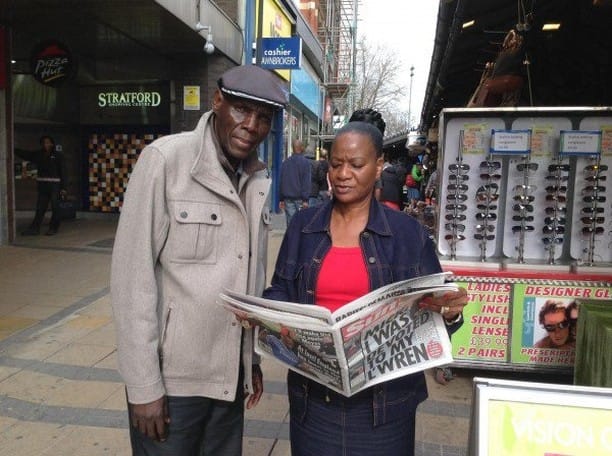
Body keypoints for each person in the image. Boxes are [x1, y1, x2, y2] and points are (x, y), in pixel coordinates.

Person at [110, 64, 288, 455]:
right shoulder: (165, 161)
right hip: (173, 385)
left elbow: (248, 279)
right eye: (242, 110)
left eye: (263, 118)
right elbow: (130, 280)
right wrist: (143, 387)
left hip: (227, 381)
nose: (251, 126)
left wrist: (250, 361)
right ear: (217, 101)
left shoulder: (257, 177)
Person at [263, 121, 468, 455]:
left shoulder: (407, 234)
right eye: (335, 164)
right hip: (314, 400)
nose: (343, 174)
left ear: (378, 166)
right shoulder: (303, 226)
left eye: (356, 165)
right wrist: (273, 320)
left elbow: (434, 311)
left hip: (385, 407)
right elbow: (279, 291)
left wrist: (448, 311)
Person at [15, 135, 66, 236]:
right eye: (43, 142)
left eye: (47, 142)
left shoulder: (58, 155)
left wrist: (64, 187)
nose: (45, 144)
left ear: (52, 143)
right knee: (40, 208)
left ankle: (53, 228)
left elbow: (63, 171)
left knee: (55, 207)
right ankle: (34, 228)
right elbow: (27, 154)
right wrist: (13, 149)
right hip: (43, 185)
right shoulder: (39, 154)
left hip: (55, 185)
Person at [279, 138, 311, 226]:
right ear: (301, 148)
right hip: (300, 199)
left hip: (288, 198)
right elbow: (306, 182)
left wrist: (281, 198)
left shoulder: (285, 163)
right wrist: (305, 199)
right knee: (302, 224)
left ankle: (292, 239)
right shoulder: (305, 163)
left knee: (291, 224)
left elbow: (282, 180)